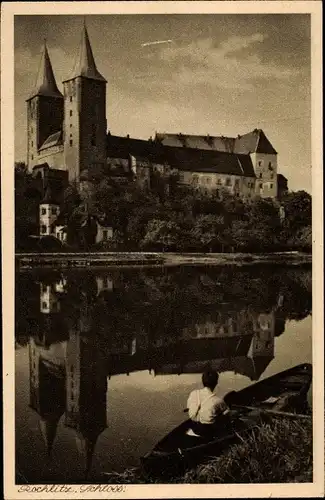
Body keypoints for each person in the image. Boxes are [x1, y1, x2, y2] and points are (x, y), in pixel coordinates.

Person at [186, 369, 230, 438]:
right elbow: (227, 414)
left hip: (193, 428)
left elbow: (189, 407)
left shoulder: (193, 393)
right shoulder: (218, 401)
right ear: (216, 382)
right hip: (207, 432)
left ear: (203, 381)